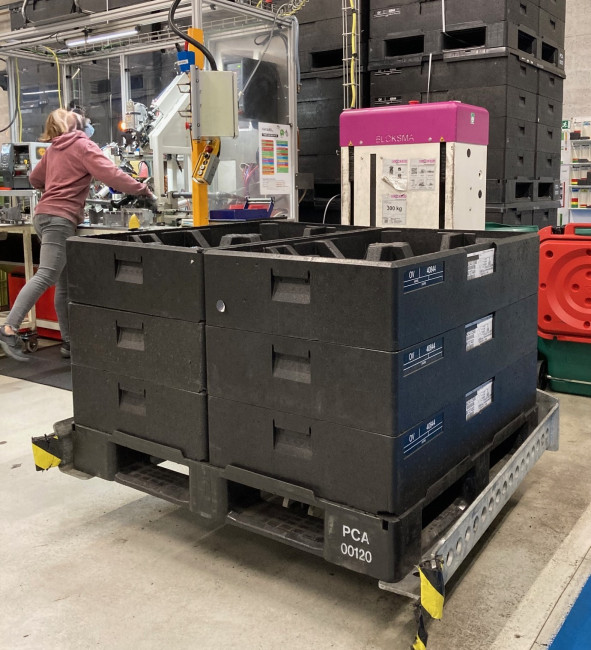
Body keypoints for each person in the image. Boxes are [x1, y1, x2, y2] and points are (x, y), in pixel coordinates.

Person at [0, 108, 156, 362]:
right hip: (59, 219)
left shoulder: (54, 149)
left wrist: (58, 181)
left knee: (63, 282)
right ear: (78, 126)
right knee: (47, 275)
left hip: (43, 216)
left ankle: (69, 342)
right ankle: (9, 328)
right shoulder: (83, 146)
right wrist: (142, 189)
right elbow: (112, 175)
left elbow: (34, 179)